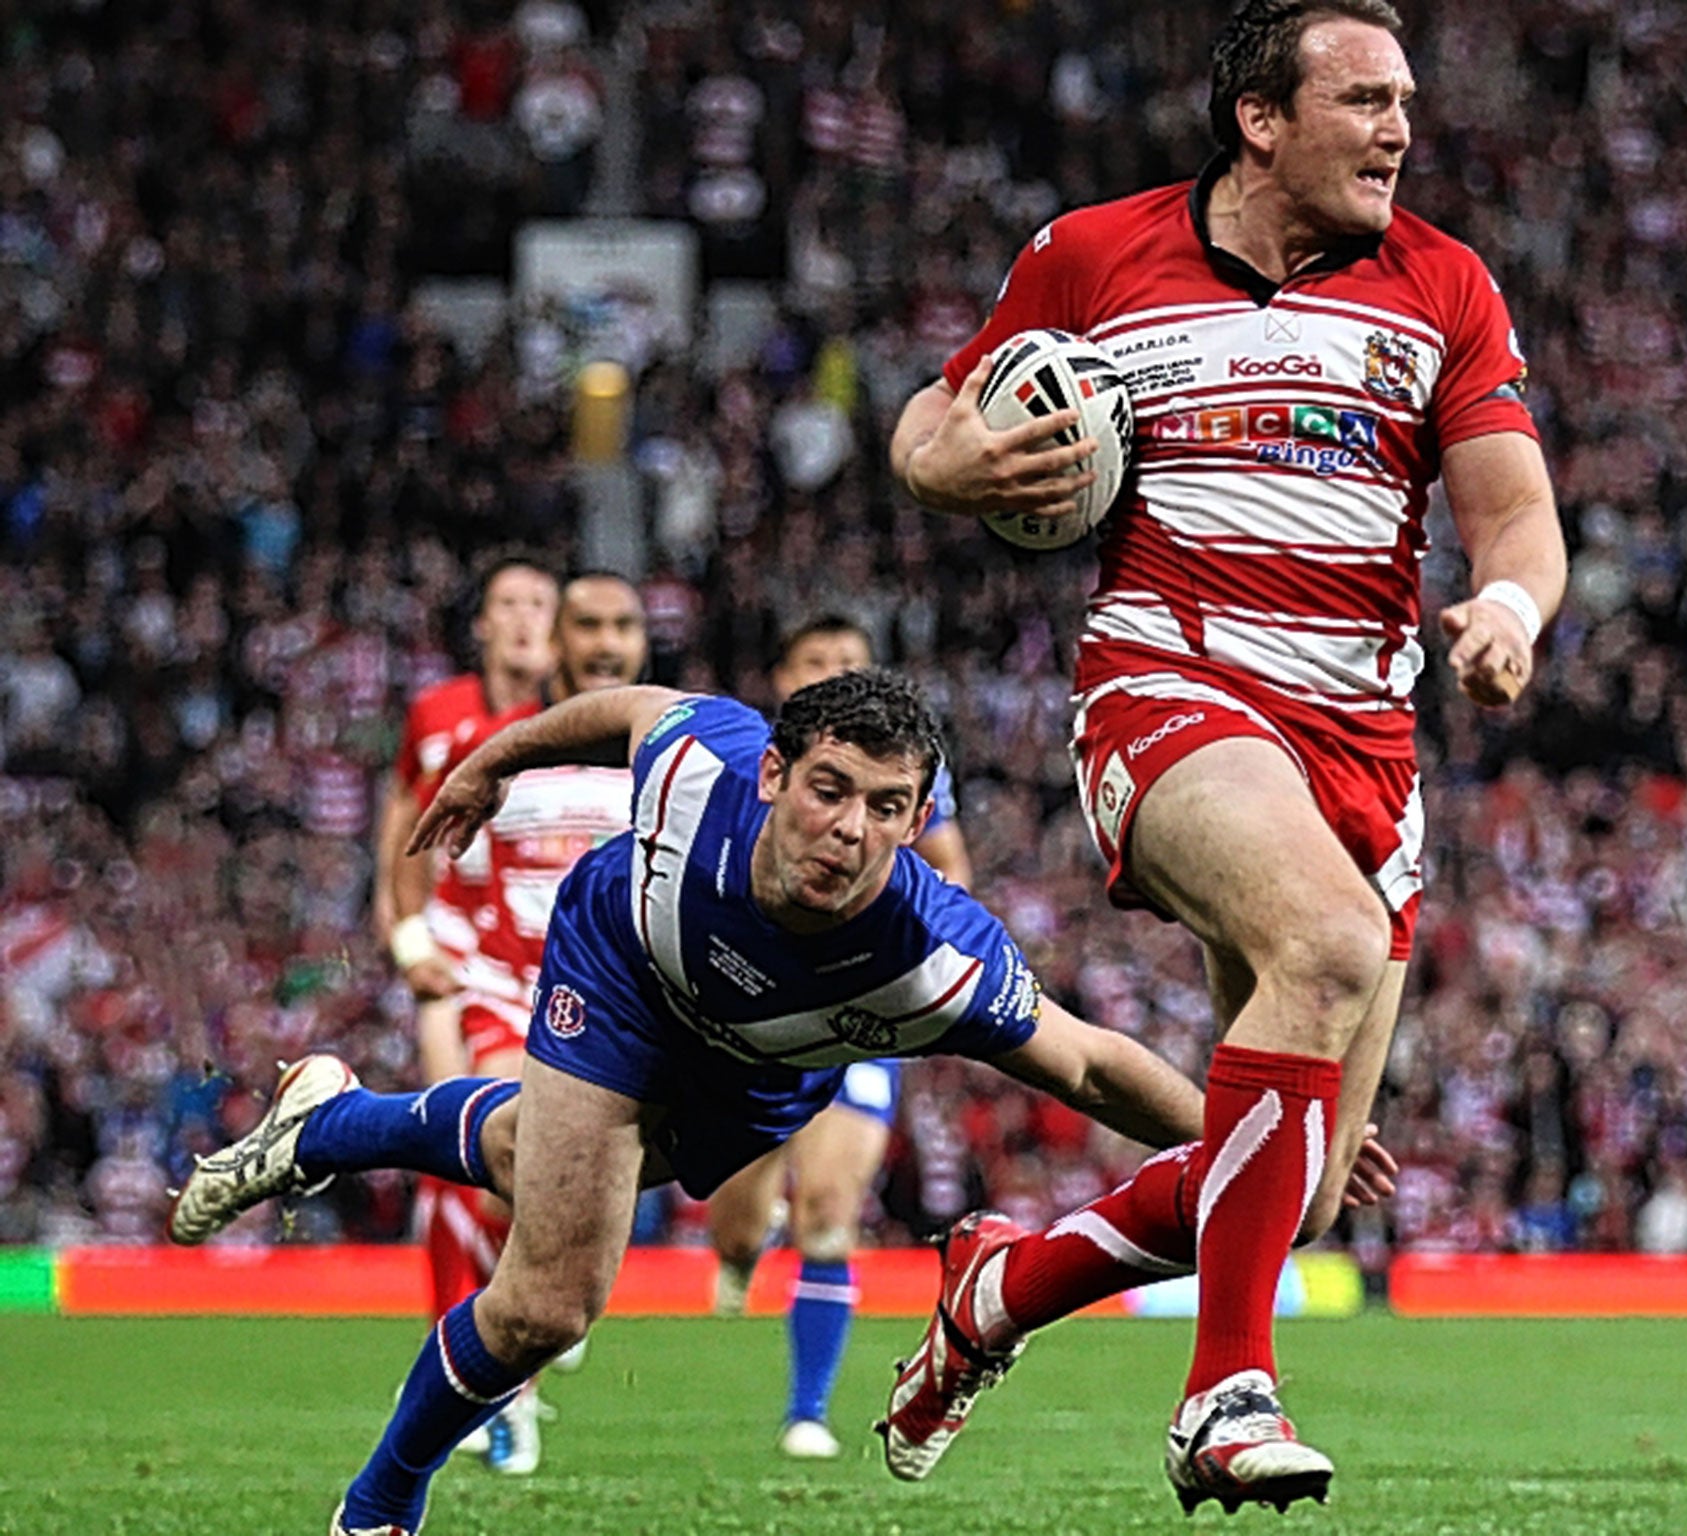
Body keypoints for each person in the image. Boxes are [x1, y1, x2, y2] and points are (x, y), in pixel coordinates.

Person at [170, 671, 1390, 1536]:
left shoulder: (933, 955)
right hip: (622, 966)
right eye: (826, 788)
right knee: (549, 1298)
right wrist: (497, 757)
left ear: (918, 824)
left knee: (518, 1152)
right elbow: (628, 709)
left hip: (760, 1070)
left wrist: (1270, 1138)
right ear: (772, 774)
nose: (845, 829)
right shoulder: (699, 764)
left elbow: (1087, 1065)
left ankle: (324, 1126)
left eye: (883, 808)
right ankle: (378, 1508)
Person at [884, 0, 1565, 1512]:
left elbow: (1515, 512)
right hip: (1171, 690)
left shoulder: (1443, 283)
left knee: (1301, 1195)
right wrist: (954, 463)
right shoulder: (1090, 257)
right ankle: (1224, 1400)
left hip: (1364, 741)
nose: (1401, 130)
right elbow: (931, 420)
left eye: (1407, 103)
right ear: (1262, 119)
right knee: (1319, 947)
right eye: (1366, 101)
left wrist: (1509, 606)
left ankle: (1000, 1290)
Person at [702, 616, 974, 1461]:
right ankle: (745, 1247)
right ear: (783, 679)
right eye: (815, 663)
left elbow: (952, 868)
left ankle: (807, 1410)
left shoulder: (907, 773)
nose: (832, 673)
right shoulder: (744, 762)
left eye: (849, 663)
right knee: (740, 1227)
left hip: (856, 1010)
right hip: (748, 1010)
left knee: (830, 1210)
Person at [423, 570, 650, 1473]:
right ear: (553, 641)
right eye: (583, 625)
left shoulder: (671, 755)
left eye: (621, 626)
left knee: (560, 1194)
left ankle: (530, 1340)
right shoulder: (495, 748)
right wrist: (427, 967)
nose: (602, 644)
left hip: (623, 1010)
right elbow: (448, 881)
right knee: (473, 1168)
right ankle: (492, 1391)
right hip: (505, 992)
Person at [370, 555, 556, 1471]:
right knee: (458, 1147)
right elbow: (401, 835)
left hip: (561, 975)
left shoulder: (571, 726)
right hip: (466, 962)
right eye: (508, 605)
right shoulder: (437, 713)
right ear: (480, 623)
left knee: (536, 1171)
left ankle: (515, 1348)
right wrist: (408, 942)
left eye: (538, 606)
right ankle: (480, 1382)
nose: (524, 621)